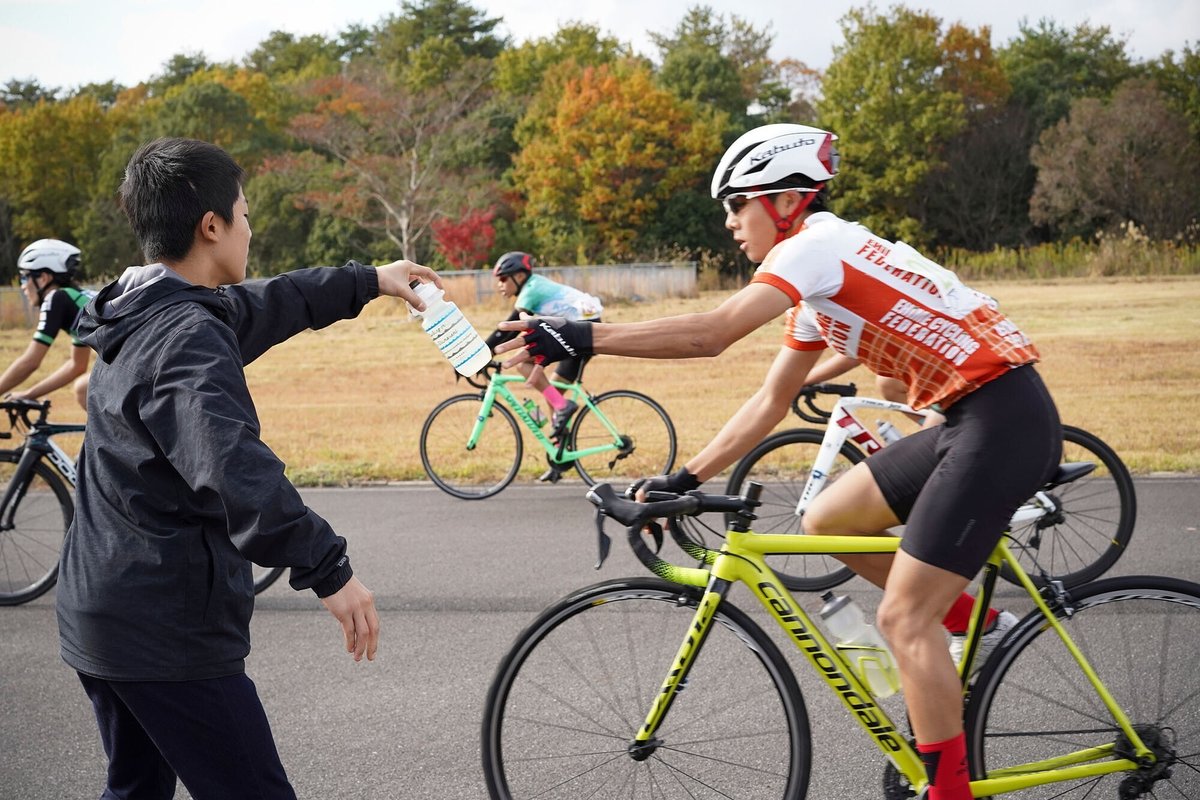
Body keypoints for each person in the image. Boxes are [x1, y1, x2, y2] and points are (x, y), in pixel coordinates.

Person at [496, 124, 1061, 800]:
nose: (730, 222)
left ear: (787, 202)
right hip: (969, 417)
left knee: (902, 619)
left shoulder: (817, 246)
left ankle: (948, 790)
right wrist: (684, 478)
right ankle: (979, 625)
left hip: (1003, 417)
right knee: (826, 518)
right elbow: (771, 399)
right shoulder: (818, 279)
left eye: (738, 204)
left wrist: (585, 334)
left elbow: (713, 334)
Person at [55, 137, 442, 800]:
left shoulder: (145, 310)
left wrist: (371, 279)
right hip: (163, 630)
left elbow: (270, 302)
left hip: (103, 610)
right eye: (244, 211)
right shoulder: (185, 335)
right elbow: (232, 465)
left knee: (137, 791)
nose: (251, 226)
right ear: (212, 226)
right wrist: (331, 570)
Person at [483, 251, 603, 482]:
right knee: (553, 394)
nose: (500, 285)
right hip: (583, 326)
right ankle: (561, 457)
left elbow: (506, 329)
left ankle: (562, 412)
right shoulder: (535, 287)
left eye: (503, 278)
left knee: (524, 366)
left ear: (519, 276)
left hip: (584, 328)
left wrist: (482, 352)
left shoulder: (531, 289)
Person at [0, 238, 93, 410]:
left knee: (83, 389)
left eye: (24, 277)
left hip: (144, 365)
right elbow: (76, 365)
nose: (22, 286)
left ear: (43, 278)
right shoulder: (77, 301)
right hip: (148, 361)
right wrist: (29, 394)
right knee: (85, 389)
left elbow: (30, 361)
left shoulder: (56, 298)